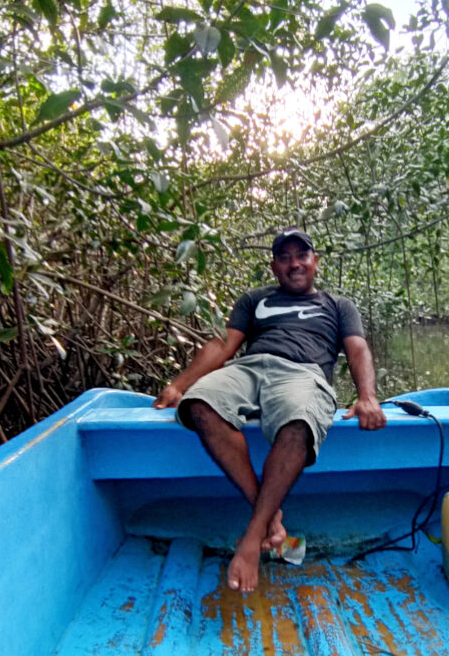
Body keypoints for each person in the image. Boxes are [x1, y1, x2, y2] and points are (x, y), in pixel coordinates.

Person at [153, 228, 387, 593]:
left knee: (298, 422)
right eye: (285, 257)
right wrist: (180, 385)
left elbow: (357, 351)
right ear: (275, 267)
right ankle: (269, 519)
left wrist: (367, 396)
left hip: (302, 373)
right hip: (248, 369)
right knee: (199, 403)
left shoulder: (338, 305)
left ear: (314, 262)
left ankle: (252, 538)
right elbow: (223, 345)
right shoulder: (254, 299)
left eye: (301, 255)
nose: (294, 263)